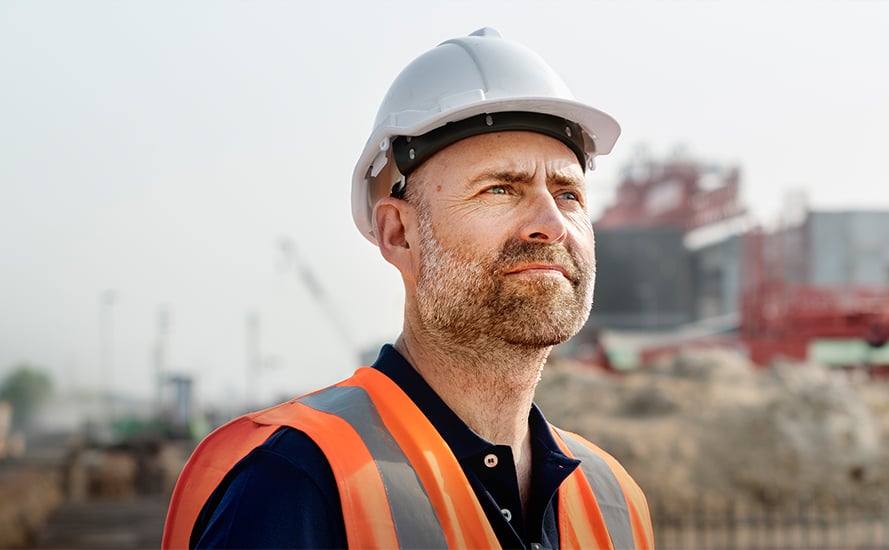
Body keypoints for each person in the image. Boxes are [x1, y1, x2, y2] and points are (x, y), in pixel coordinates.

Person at [163, 28, 652, 549]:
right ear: (400, 235)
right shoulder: (299, 485)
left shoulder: (614, 501)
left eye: (568, 193)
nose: (551, 224)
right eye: (501, 188)